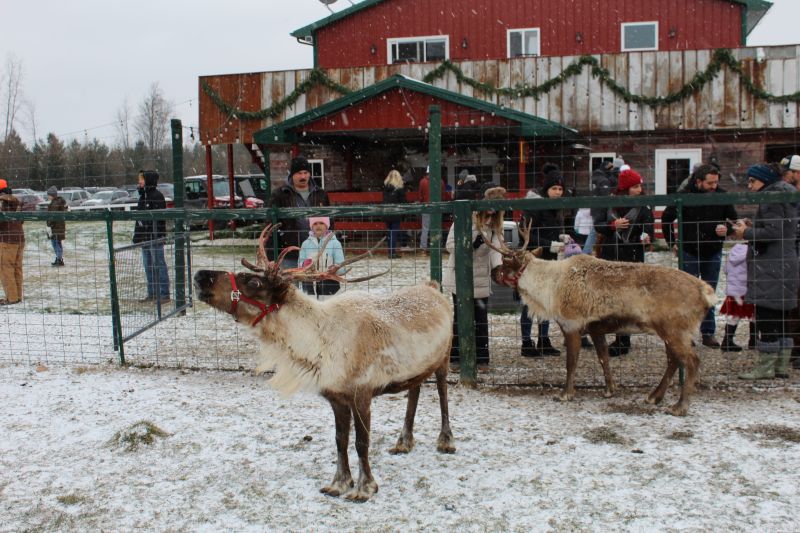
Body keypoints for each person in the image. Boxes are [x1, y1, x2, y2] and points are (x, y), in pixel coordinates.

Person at [733, 163, 798, 379]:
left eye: (753, 181)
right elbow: (782, 227)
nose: (750, 185)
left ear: (765, 180)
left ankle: (766, 366)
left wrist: (746, 232)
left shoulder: (771, 197)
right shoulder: (787, 194)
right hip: (785, 261)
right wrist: (755, 224)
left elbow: (773, 231)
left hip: (770, 265)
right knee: (781, 315)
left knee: (767, 315)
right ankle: (780, 365)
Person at [661, 164, 738, 348]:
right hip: (689, 251)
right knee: (688, 295)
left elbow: (734, 220)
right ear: (698, 181)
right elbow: (666, 218)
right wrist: (672, 242)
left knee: (709, 293)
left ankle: (708, 333)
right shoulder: (684, 195)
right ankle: (686, 333)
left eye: (716, 182)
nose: (714, 186)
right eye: (710, 183)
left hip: (712, 250)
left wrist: (726, 230)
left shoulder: (722, 196)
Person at [593, 168, 654, 356]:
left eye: (640, 186)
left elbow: (649, 228)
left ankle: (624, 338)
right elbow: (598, 225)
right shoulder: (610, 204)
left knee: (628, 299)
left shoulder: (643, 207)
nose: (639, 189)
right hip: (611, 257)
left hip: (633, 257)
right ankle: (617, 335)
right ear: (626, 188)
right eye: (635, 186)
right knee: (612, 299)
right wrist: (613, 226)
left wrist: (646, 236)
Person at [443, 186, 506, 367]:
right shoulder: (464, 218)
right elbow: (450, 245)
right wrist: (471, 245)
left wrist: (498, 267)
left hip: (480, 276)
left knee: (481, 318)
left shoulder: (495, 226)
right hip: (460, 276)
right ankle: (455, 357)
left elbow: (496, 250)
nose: (493, 210)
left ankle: (482, 358)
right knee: (460, 317)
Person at [519, 167, 568, 357]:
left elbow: (550, 232)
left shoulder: (556, 207)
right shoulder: (535, 207)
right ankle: (526, 342)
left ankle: (544, 340)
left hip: (549, 262)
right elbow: (528, 236)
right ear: (547, 189)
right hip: (533, 262)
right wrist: (551, 245)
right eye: (554, 188)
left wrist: (561, 238)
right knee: (529, 302)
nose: (558, 192)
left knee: (546, 301)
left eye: (560, 189)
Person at [269, 156, 330, 269]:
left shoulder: (320, 194)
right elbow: (270, 226)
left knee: (314, 285)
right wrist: (272, 257)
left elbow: (330, 222)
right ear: (292, 174)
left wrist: (331, 248)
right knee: (289, 286)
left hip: (316, 253)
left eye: (305, 172)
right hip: (289, 253)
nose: (303, 176)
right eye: (299, 173)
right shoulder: (280, 195)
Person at [133, 170, 170, 303]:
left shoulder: (157, 196)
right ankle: (152, 293)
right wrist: (137, 236)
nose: (139, 182)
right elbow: (139, 219)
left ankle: (164, 294)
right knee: (148, 266)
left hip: (155, 238)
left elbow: (160, 219)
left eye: (141, 179)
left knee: (159, 265)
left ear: (148, 180)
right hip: (145, 239)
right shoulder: (142, 197)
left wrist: (158, 234)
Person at [780, 155, 800, 368]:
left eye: (789, 173)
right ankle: (794, 349)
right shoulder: (790, 195)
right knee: (793, 305)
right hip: (792, 254)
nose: (787, 177)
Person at [719, 242, 755, 352]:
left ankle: (727, 340)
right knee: (754, 315)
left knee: (733, 316)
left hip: (733, 291)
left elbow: (725, 270)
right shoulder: (752, 252)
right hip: (747, 290)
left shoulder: (733, 252)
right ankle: (753, 341)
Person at [298, 216, 344, 300]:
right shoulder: (305, 244)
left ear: (327, 225)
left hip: (329, 288)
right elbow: (299, 266)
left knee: (329, 311)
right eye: (315, 223)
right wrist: (304, 265)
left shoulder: (335, 243)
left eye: (321, 223)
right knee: (311, 311)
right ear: (311, 226)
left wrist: (335, 269)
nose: (318, 226)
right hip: (309, 288)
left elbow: (342, 267)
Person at [0, 179, 24, 305]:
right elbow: (22, 220)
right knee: (17, 268)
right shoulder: (16, 201)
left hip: (7, 239)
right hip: (20, 238)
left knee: (6, 268)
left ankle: (11, 298)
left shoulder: (1, 202)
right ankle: (18, 296)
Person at [418, 167, 448, 252]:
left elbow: (420, 196)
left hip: (426, 206)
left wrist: (422, 202)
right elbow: (443, 196)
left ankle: (423, 247)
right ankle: (437, 245)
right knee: (437, 227)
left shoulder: (422, 181)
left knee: (425, 228)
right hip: (437, 207)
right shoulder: (440, 181)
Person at [382, 170, 407, 259]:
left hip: (386, 212)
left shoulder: (386, 187)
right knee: (393, 233)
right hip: (395, 213)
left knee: (389, 233)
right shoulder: (399, 189)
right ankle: (392, 253)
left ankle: (390, 251)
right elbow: (403, 202)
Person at [46, 186, 67, 267]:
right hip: (58, 227)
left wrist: (49, 225)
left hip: (55, 228)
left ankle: (59, 259)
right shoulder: (57, 202)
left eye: (48, 195)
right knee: (57, 243)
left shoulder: (55, 203)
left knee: (56, 243)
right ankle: (59, 258)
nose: (47, 196)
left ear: (52, 195)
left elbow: (52, 216)